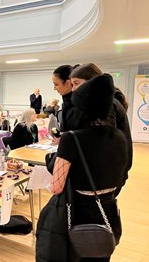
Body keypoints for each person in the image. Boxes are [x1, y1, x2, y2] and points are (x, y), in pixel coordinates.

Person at [39, 74, 126, 261]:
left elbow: (56, 186)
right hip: (108, 211)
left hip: (79, 214)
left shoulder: (72, 138)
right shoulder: (119, 136)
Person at [69, 63, 133, 196]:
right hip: (110, 175)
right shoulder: (108, 104)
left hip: (105, 179)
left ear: (92, 82)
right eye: (72, 84)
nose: (73, 89)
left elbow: (101, 145)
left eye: (76, 83)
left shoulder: (108, 107)